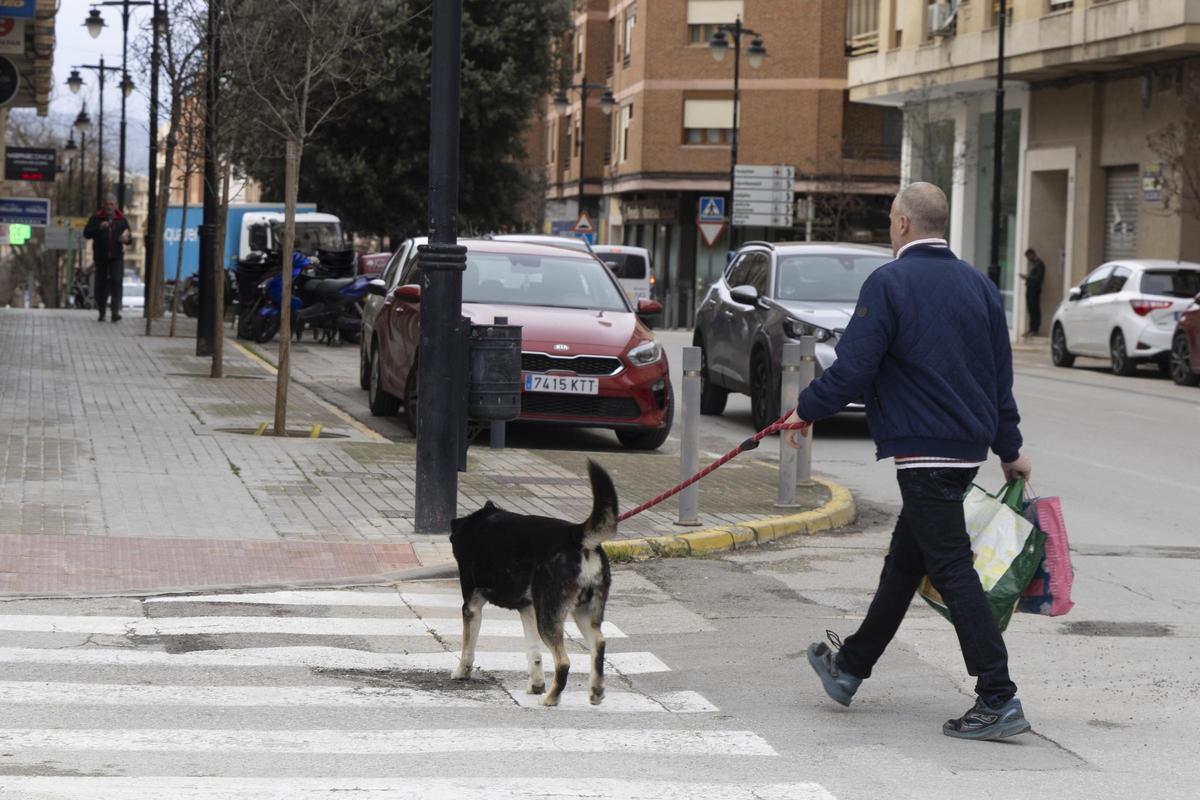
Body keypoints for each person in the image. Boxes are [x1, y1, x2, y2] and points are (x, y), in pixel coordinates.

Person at [782, 182, 1033, 741]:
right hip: (963, 450)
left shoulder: (889, 282)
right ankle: (849, 669)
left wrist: (804, 409)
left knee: (951, 569)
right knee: (905, 563)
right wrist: (1009, 449)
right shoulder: (980, 287)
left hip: (924, 451)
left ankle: (998, 696)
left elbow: (853, 368)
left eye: (891, 221)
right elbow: (999, 379)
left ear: (901, 224)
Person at [83, 193, 133, 322]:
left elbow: (129, 236)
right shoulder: (96, 218)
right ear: (103, 205)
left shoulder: (121, 219)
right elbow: (87, 233)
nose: (109, 207)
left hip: (116, 256)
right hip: (101, 256)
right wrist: (99, 228)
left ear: (115, 205)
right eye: (107, 204)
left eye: (112, 204)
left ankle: (115, 312)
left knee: (117, 281)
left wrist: (126, 239)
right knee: (102, 284)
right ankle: (102, 311)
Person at [1020, 248, 1046, 337]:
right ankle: (1031, 328)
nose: (1028, 259)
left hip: (1035, 290)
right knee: (1030, 309)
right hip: (1030, 289)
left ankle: (1035, 329)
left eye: (1028, 257)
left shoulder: (1039, 264)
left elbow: (1038, 278)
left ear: (1032, 254)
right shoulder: (1033, 264)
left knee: (1035, 309)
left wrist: (1027, 277)